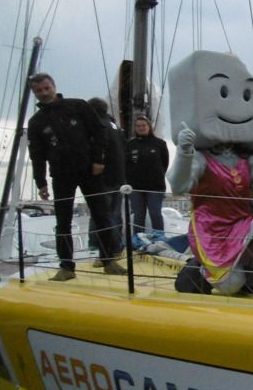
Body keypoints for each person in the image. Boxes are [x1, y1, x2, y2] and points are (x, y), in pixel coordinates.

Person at [167, 50, 253, 295]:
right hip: (209, 230)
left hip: (240, 225)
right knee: (231, 286)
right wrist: (184, 152)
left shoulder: (247, 161)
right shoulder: (203, 159)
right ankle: (199, 269)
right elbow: (179, 185)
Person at [26, 73, 126, 280]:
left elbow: (99, 131)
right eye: (39, 91)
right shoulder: (36, 122)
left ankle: (108, 261)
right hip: (61, 174)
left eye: (47, 88)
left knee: (102, 215)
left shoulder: (78, 106)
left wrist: (99, 160)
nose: (44, 93)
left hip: (89, 170)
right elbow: (37, 154)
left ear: (54, 86)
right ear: (34, 93)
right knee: (63, 221)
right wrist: (41, 182)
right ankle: (66, 267)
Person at [86, 98, 126, 261]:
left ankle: (99, 248)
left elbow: (97, 148)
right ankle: (116, 248)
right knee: (115, 215)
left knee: (100, 215)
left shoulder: (97, 126)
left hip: (103, 178)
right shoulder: (115, 127)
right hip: (118, 178)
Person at [125, 114, 169, 236]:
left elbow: (164, 164)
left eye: (143, 125)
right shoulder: (129, 145)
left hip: (155, 187)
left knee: (155, 214)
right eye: (138, 126)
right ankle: (138, 240)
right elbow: (125, 164)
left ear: (149, 126)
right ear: (135, 128)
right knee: (138, 216)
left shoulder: (160, 144)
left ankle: (160, 239)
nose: (141, 128)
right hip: (135, 187)